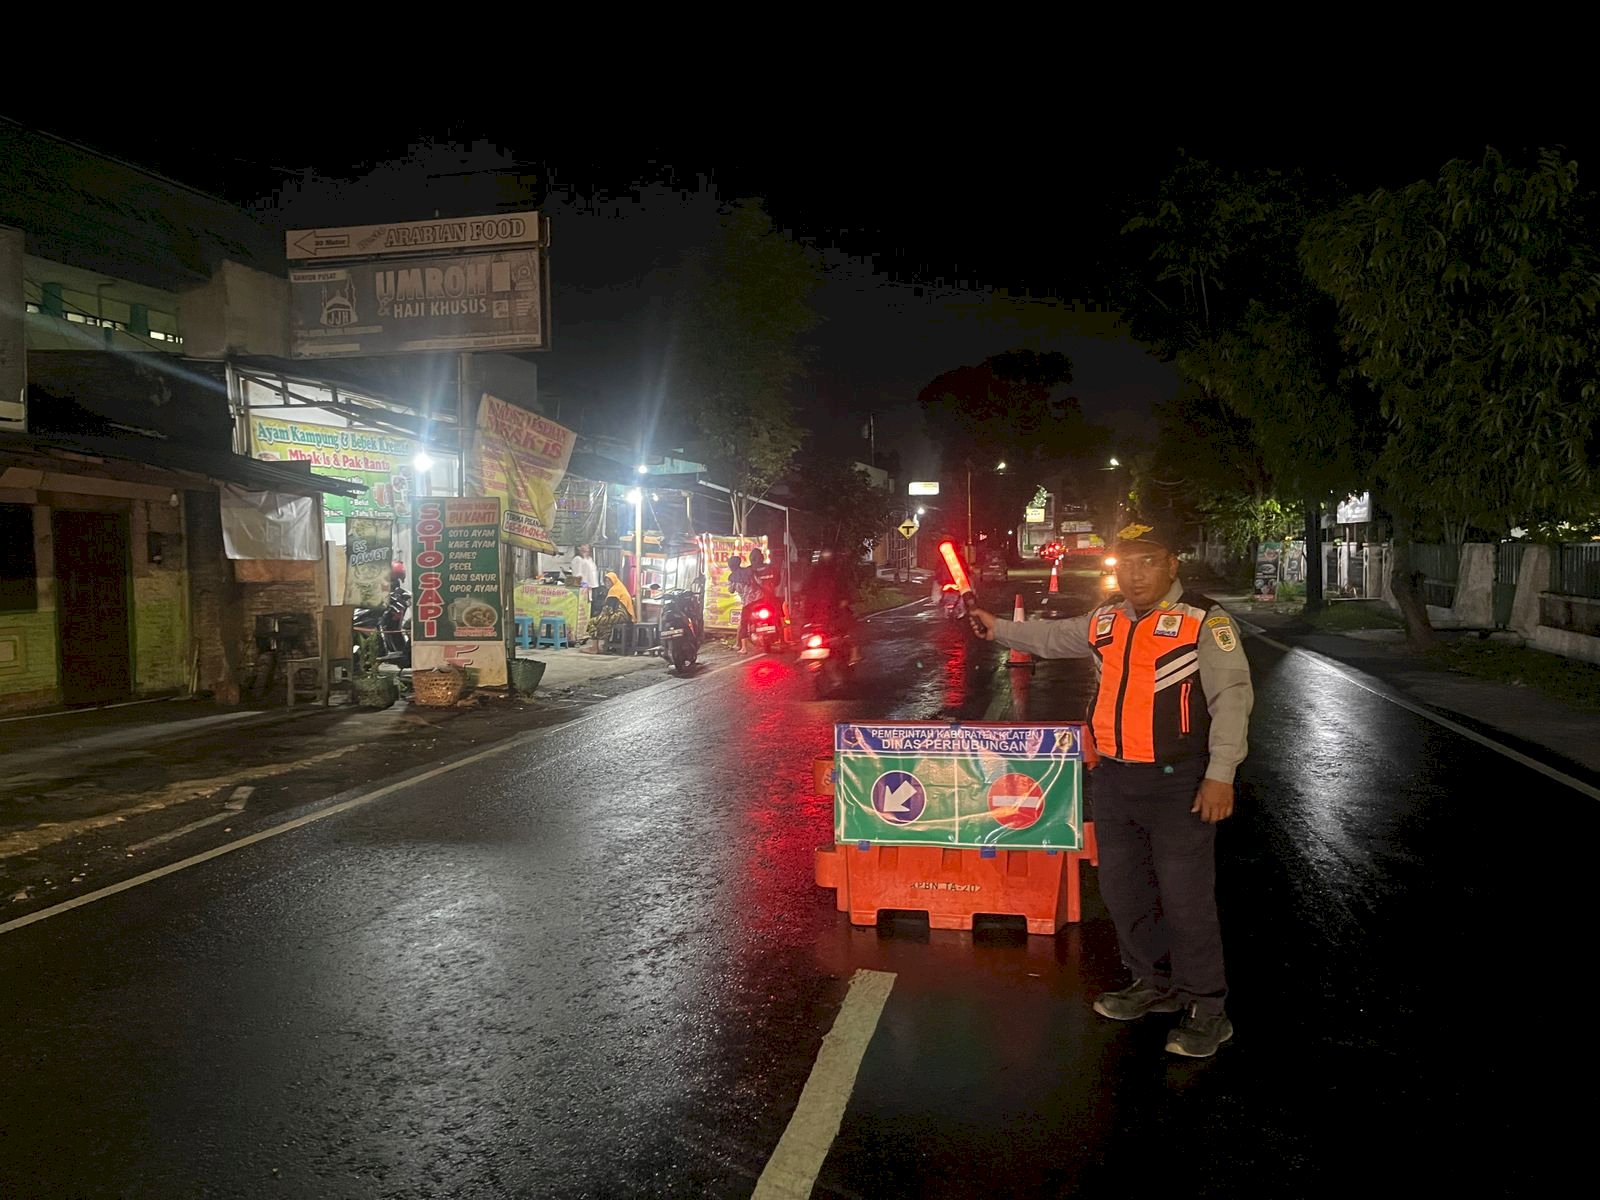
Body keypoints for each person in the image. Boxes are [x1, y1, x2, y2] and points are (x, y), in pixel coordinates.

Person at [969, 517, 1254, 1058]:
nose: (1137, 572)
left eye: (1149, 561)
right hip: (1117, 778)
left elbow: (1233, 697)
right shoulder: (1107, 620)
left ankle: (1207, 1009)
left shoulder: (1203, 621)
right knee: (1124, 890)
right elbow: (1053, 637)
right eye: (1127, 561)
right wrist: (999, 626)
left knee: (1186, 898)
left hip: (1180, 783)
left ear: (1172, 563)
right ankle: (1153, 984)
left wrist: (1221, 773)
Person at [571, 544, 601, 616]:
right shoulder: (578, 559)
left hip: (594, 585)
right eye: (583, 545)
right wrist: (584, 585)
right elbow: (577, 574)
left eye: (586, 545)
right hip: (586, 587)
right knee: (587, 608)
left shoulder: (590, 559)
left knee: (594, 606)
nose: (585, 547)